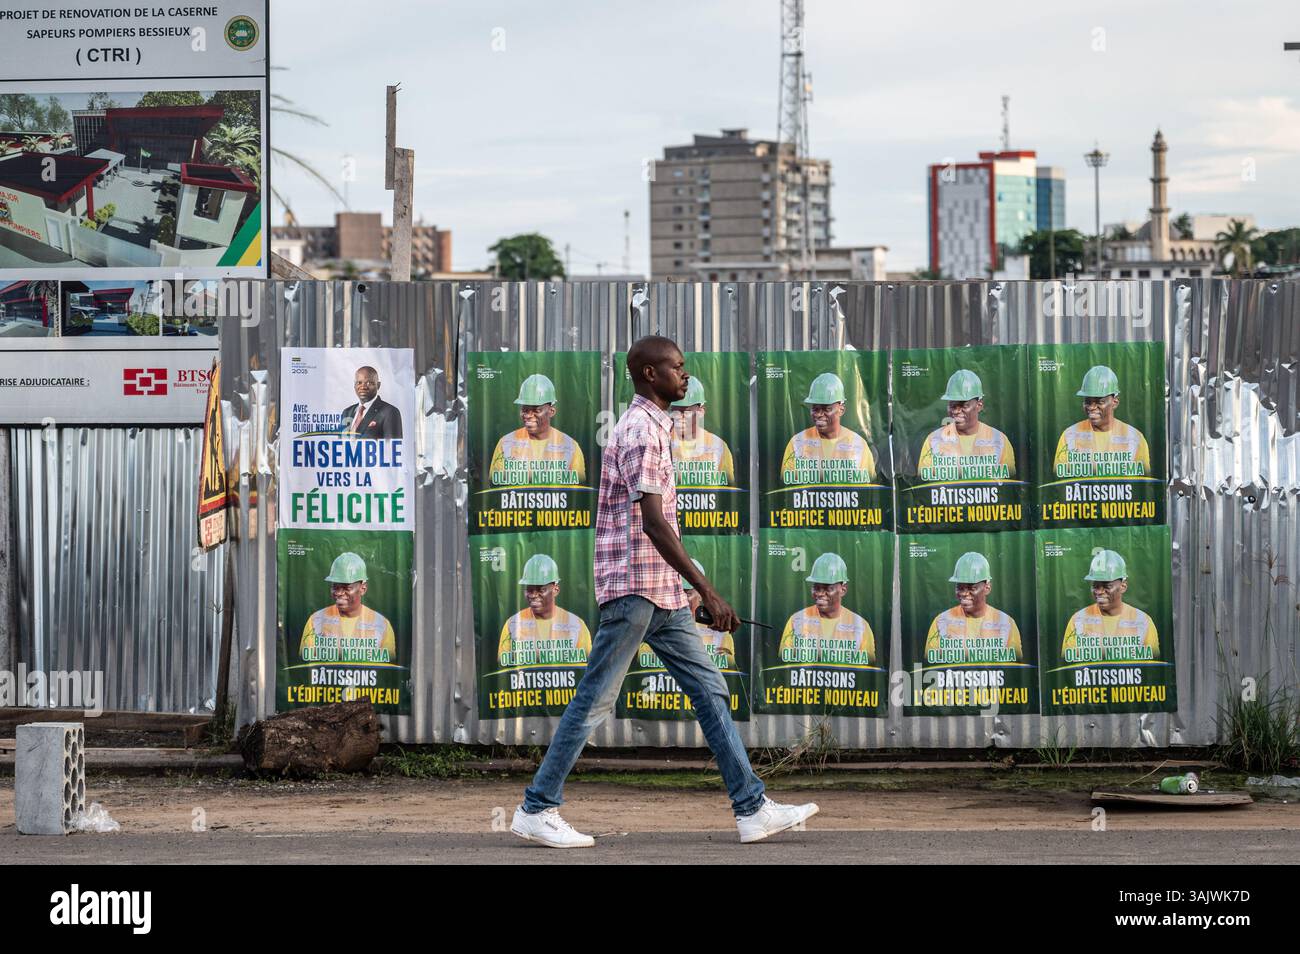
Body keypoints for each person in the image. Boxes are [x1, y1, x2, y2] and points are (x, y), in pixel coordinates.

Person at [512, 335, 818, 848]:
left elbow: (654, 525)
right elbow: (653, 523)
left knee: (709, 690)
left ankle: (752, 809)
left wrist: (687, 592)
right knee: (594, 701)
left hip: (660, 593)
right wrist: (709, 590)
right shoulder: (639, 431)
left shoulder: (654, 427)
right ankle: (536, 809)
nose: (686, 374)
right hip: (634, 590)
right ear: (650, 375)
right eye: (676, 367)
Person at [1062, 549, 1160, 662]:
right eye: (1095, 586)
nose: (1099, 592)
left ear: (1123, 586)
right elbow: (1067, 667)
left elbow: (1153, 669)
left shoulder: (1143, 621)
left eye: (1107, 586)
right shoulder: (1078, 620)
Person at [924, 552, 1022, 664]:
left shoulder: (1006, 623)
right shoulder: (941, 622)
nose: (964, 594)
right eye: (960, 588)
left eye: (972, 588)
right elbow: (931, 666)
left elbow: (1014, 670)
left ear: (987, 588)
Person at [489, 373, 586, 486]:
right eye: (525, 410)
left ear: (551, 411)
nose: (528, 415)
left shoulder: (570, 446)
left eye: (536, 410)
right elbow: (495, 488)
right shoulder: (505, 443)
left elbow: (578, 492)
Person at [779, 552, 875, 666]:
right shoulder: (796, 621)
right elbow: (784, 664)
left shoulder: (860, 626)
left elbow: (868, 669)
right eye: (816, 587)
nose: (820, 594)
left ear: (843, 590)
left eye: (828, 588)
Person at [299, 552, 397, 664]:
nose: (339, 593)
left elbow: (387, 671)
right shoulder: (315, 621)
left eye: (347, 588)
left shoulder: (381, 625)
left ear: (363, 589)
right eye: (335, 587)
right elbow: (305, 666)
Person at [638, 559, 736, 671]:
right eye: (674, 592)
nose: (680, 599)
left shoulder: (719, 634)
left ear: (701, 595)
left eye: (686, 592)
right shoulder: (652, 631)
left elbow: (728, 671)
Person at [780, 372, 875, 485]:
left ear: (841, 410)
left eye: (827, 409)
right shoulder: (797, 443)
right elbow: (786, 488)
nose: (819, 414)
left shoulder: (858, 445)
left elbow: (868, 490)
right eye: (815, 409)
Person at [1053, 366, 1151, 477]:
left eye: (1100, 401)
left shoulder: (1135, 438)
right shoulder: (1069, 436)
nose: (1091, 407)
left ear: (1115, 402)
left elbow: (1143, 484)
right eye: (1088, 402)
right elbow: (1059, 483)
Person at [916, 370, 1016, 478]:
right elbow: (925, 487)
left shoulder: (999, 440)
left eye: (964, 405)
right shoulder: (934, 441)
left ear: (979, 405)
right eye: (952, 405)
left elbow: (1008, 486)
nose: (956, 411)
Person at [498, 554, 592, 667]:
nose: (533, 595)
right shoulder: (512, 624)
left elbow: (586, 669)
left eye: (541, 589)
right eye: (529, 589)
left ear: (556, 590)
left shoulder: (576, 625)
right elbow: (503, 670)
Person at [669, 377, 735, 486]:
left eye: (686, 412)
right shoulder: (661, 442)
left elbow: (728, 489)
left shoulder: (718, 446)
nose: (679, 417)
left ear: (700, 412)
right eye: (675, 411)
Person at [340, 365, 403, 439]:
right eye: (359, 383)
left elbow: (392, 448)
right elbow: (341, 445)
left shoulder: (390, 412)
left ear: (378, 385)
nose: (363, 387)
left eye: (369, 383)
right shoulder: (346, 412)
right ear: (354, 385)